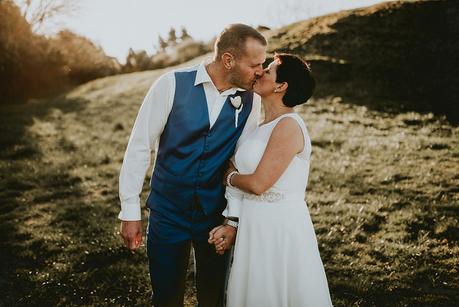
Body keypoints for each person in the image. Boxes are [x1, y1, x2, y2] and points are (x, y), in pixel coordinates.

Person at [118, 24, 266, 306]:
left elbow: (240, 162)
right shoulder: (170, 85)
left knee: (214, 298)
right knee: (166, 296)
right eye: (255, 64)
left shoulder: (251, 101)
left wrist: (232, 219)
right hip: (168, 213)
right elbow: (139, 146)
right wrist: (130, 211)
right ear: (228, 60)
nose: (260, 71)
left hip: (214, 215)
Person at [209, 53, 333, 306]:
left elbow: (257, 183)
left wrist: (230, 177)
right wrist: (232, 223)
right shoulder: (256, 127)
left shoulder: (289, 125)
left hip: (280, 227)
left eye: (268, 70)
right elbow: (239, 171)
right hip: (253, 226)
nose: (260, 72)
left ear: (281, 86)